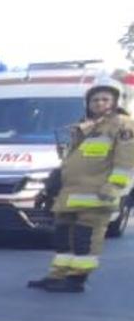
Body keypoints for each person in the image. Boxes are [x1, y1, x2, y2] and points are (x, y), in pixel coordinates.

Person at [28, 83, 134, 292]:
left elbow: (126, 160)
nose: (99, 103)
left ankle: (76, 280)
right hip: (69, 194)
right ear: (88, 104)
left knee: (85, 238)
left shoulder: (123, 125)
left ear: (115, 102)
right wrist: (50, 188)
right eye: (95, 100)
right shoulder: (86, 126)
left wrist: (114, 187)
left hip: (97, 195)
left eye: (105, 99)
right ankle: (57, 276)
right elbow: (69, 161)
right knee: (63, 236)